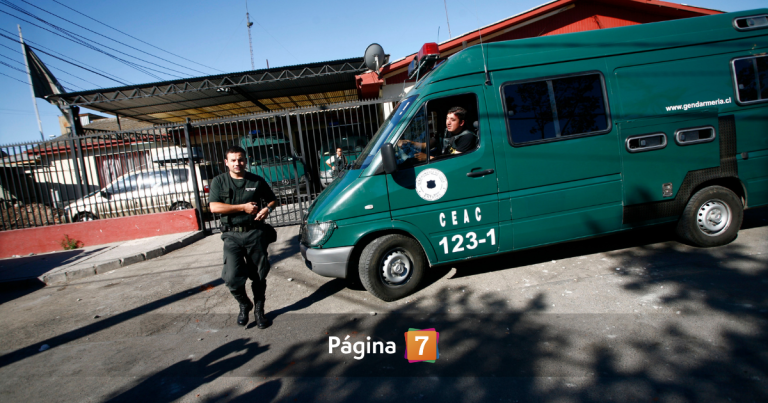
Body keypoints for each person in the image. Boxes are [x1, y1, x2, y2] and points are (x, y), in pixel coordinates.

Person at [209, 146, 278, 329]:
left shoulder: (256, 180)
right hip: (231, 234)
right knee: (231, 277)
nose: (237, 163)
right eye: (233, 160)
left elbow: (272, 199)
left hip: (255, 233)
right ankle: (244, 304)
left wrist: (267, 209)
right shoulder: (219, 181)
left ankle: (259, 311)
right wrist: (242, 207)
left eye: (240, 159)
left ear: (245, 161)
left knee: (259, 276)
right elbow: (214, 207)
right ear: (226, 162)